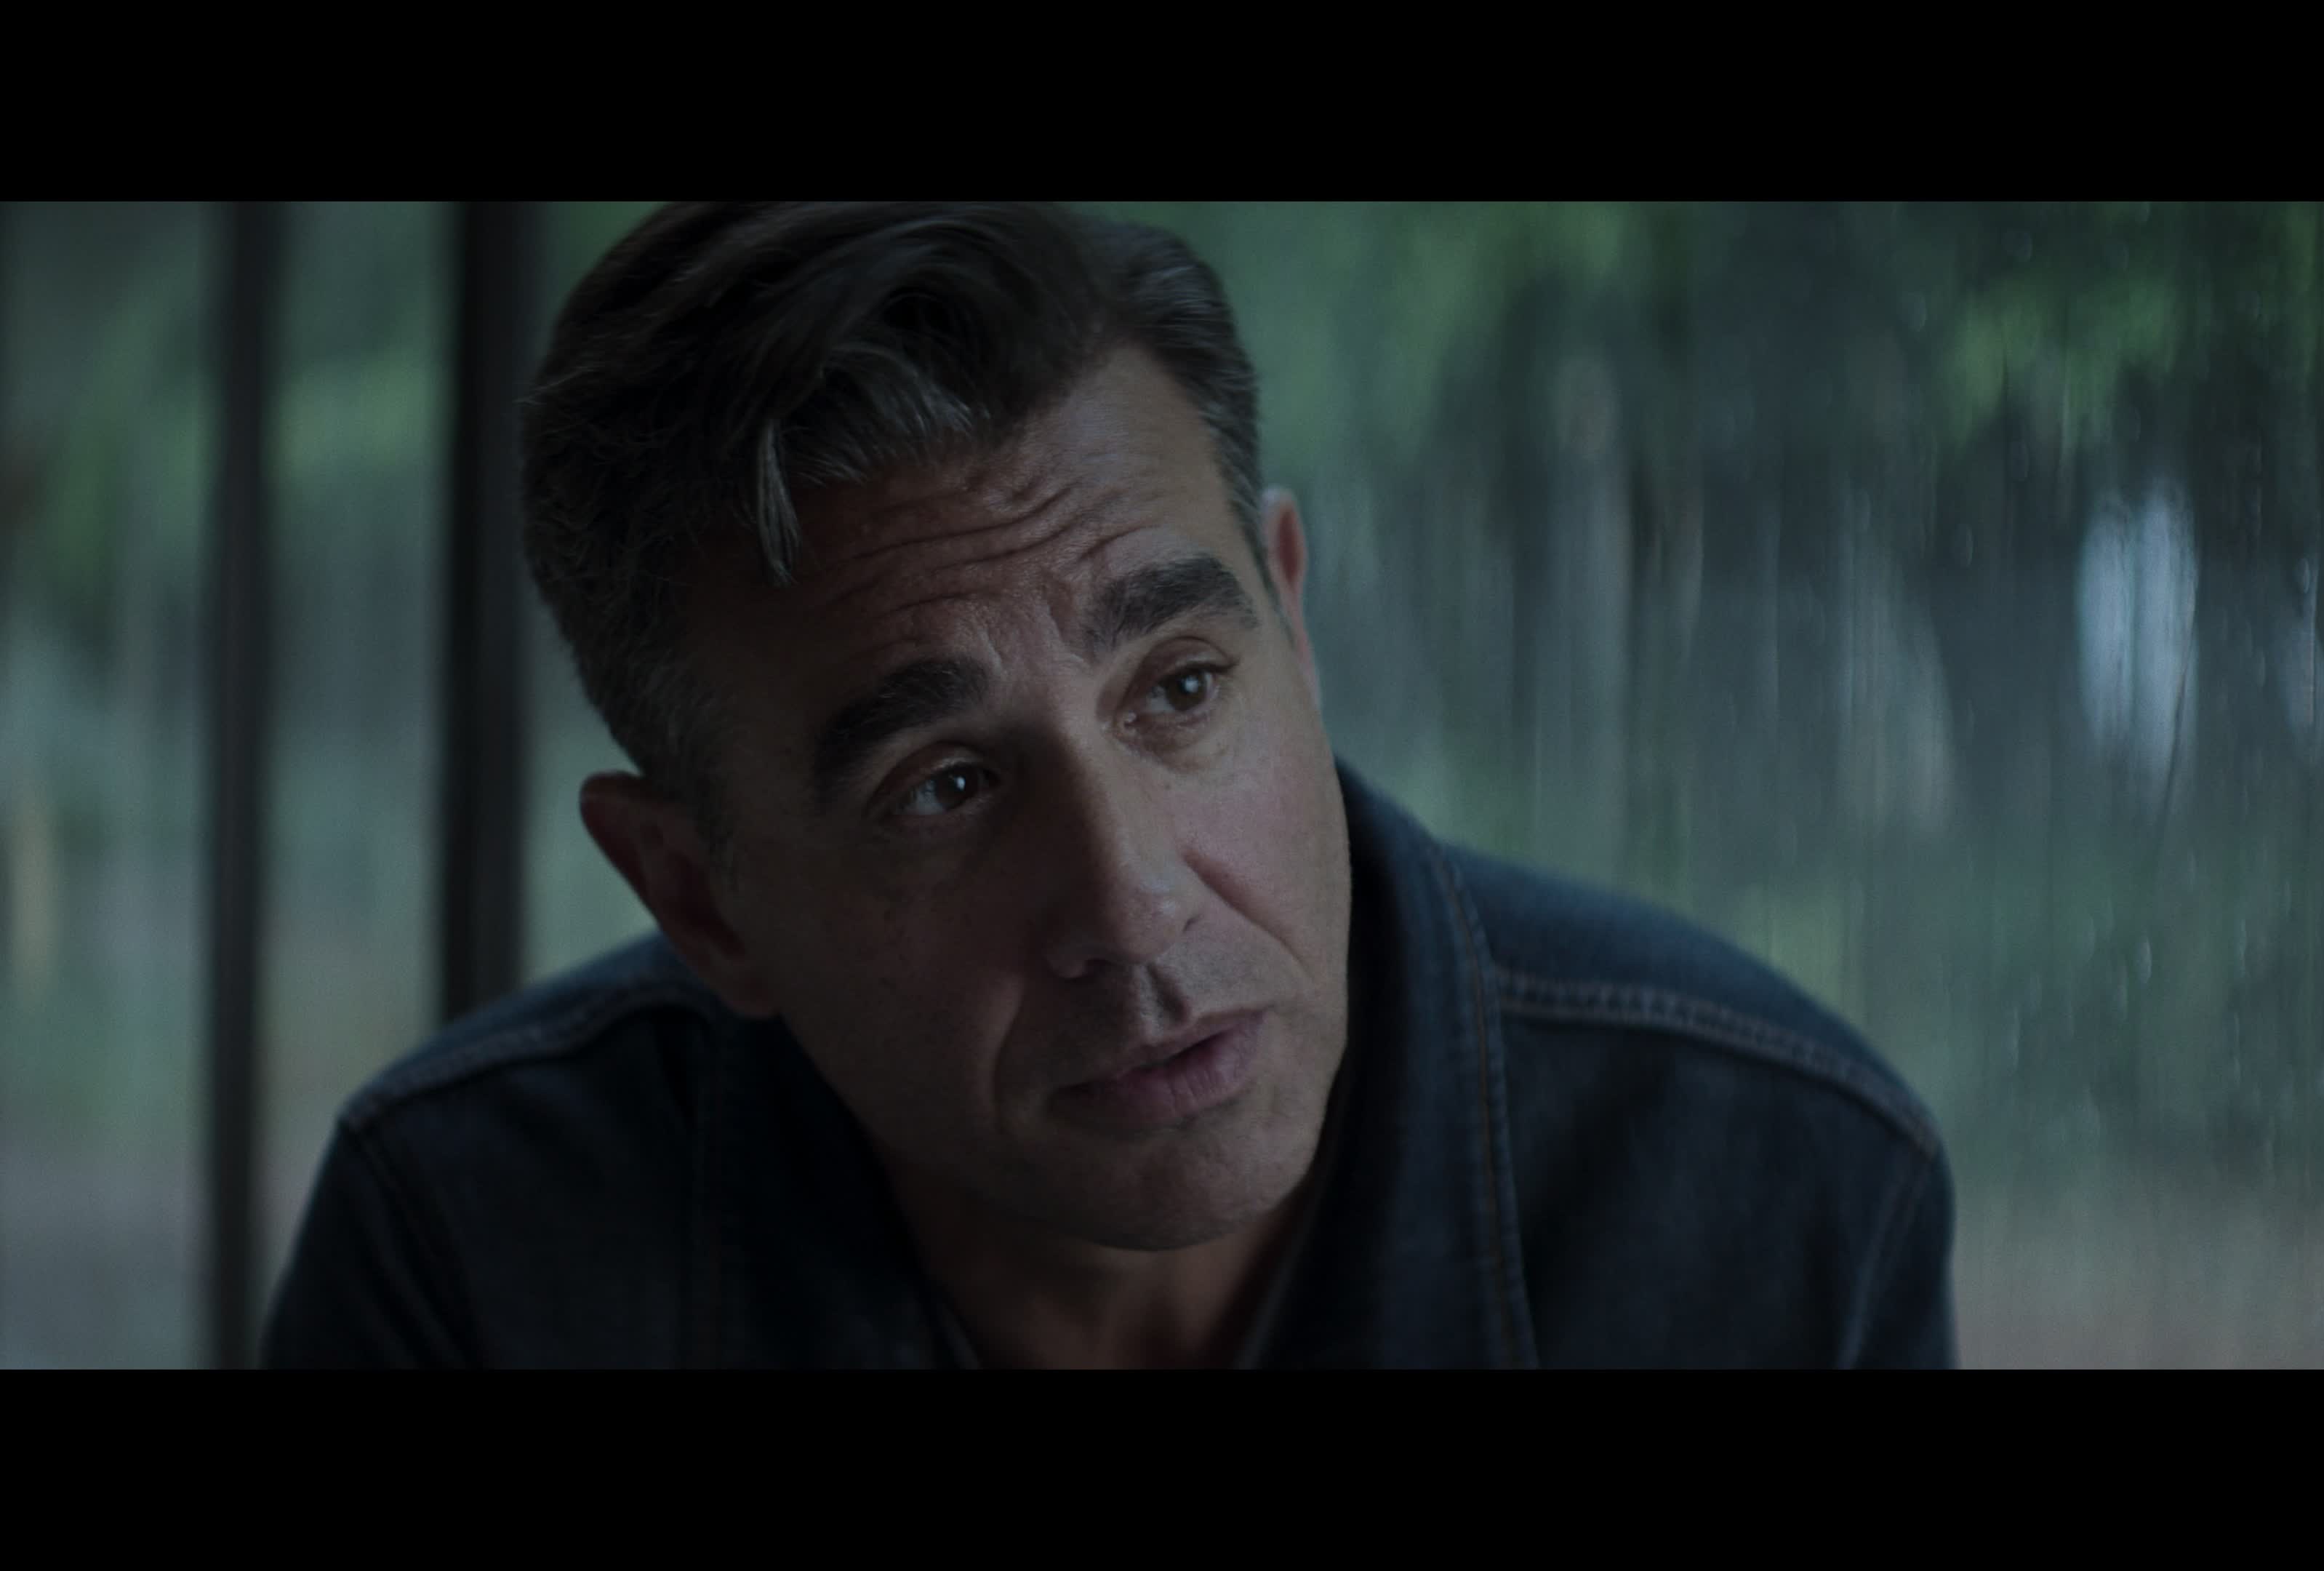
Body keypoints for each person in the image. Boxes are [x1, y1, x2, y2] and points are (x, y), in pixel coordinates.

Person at [261, 201, 1956, 1369]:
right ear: (701, 898)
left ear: (1290, 616)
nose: (1134, 907)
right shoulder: (471, 1253)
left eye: (1183, 688)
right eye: (943, 788)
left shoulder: (1777, 1195)